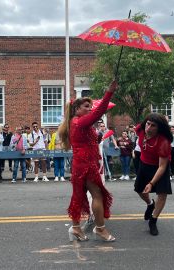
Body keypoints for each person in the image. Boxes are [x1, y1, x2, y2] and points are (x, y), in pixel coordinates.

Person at [58, 79, 118, 242]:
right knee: (97, 195)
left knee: (78, 195)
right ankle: (100, 229)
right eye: (86, 106)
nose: (90, 109)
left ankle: (76, 228)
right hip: (86, 164)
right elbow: (99, 113)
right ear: (77, 109)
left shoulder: (74, 122)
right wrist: (109, 91)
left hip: (79, 164)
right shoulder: (80, 122)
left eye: (89, 106)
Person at [134, 113, 173, 236]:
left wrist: (151, 183)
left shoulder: (163, 142)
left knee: (162, 194)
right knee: (140, 190)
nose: (149, 127)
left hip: (159, 168)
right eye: (148, 124)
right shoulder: (140, 130)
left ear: (159, 128)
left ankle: (153, 220)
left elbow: (162, 166)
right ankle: (150, 204)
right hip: (144, 164)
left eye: (153, 126)